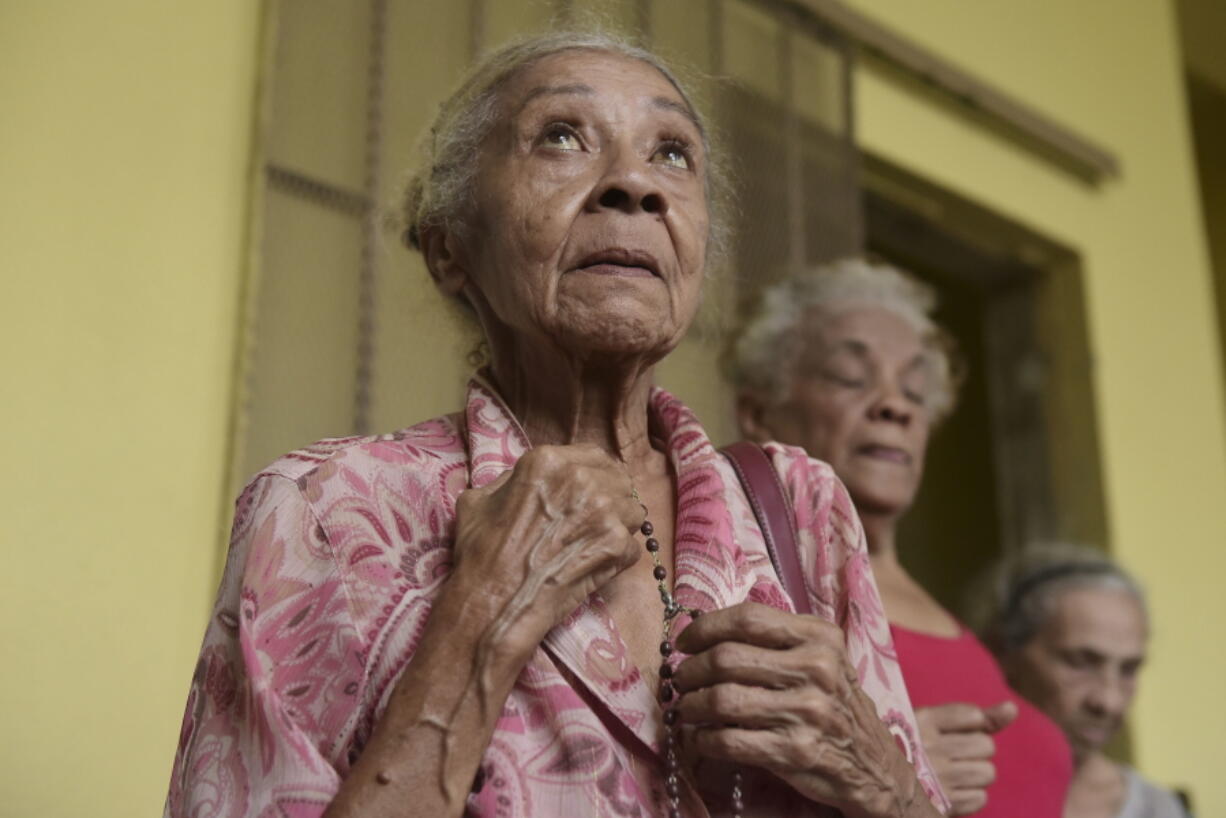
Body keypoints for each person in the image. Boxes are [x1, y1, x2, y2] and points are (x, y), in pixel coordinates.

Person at [165, 32, 950, 818]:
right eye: (562, 138)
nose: (635, 185)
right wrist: (481, 618)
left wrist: (881, 776)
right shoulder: (326, 512)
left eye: (672, 153)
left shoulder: (804, 509)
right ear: (451, 251)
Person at [730, 259, 1073, 816]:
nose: (895, 407)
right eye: (849, 378)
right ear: (758, 411)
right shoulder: (743, 584)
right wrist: (893, 773)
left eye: (914, 391)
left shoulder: (965, 632)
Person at [981, 546, 1189, 818]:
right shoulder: (955, 790)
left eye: (1128, 669)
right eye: (1080, 662)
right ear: (1004, 652)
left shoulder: (1157, 808)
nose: (1109, 702)